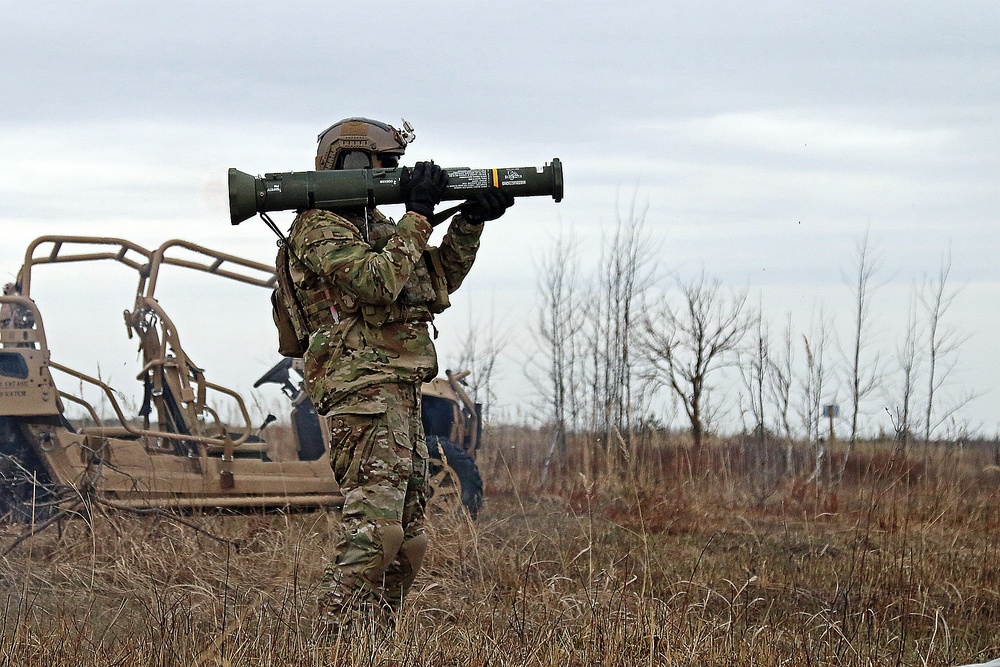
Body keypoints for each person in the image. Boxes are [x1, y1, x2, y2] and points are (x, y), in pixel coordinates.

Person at [282, 118, 513, 632]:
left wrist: (470, 222)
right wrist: (417, 216)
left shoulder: (377, 229)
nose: (391, 174)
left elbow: (432, 280)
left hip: (398, 390)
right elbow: (378, 281)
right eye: (384, 164)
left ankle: (371, 641)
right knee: (375, 531)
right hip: (360, 391)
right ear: (353, 163)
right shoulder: (319, 228)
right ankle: (327, 642)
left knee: (408, 540)